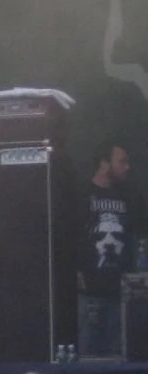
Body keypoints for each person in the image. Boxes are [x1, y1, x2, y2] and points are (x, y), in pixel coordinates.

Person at [77, 140, 148, 357]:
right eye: (121, 162)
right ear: (104, 163)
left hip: (122, 293)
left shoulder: (131, 197)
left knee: (121, 356)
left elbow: (142, 236)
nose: (127, 167)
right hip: (89, 291)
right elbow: (66, 236)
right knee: (88, 357)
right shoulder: (81, 194)